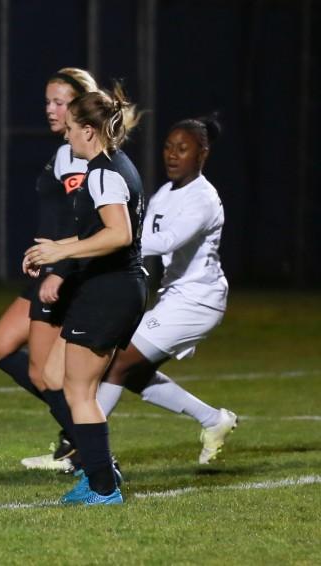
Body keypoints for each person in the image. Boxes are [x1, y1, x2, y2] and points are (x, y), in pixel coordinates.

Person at [24, 83, 146, 505]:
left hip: (110, 290)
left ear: (90, 131)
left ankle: (103, 487)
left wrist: (62, 249)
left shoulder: (104, 172)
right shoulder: (110, 167)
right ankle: (98, 470)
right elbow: (100, 232)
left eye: (73, 127)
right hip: (107, 287)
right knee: (55, 377)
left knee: (79, 393)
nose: (68, 135)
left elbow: (119, 234)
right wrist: (54, 251)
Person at [94, 114, 237, 464]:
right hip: (176, 297)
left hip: (198, 301)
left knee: (118, 363)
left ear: (202, 154)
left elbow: (166, 240)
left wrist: (115, 241)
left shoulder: (203, 199)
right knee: (134, 373)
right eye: (168, 147)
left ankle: (80, 447)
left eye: (183, 149)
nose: (172, 155)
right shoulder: (165, 193)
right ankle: (212, 419)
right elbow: (144, 239)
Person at [0, 68, 97, 471]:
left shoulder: (78, 157)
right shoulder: (65, 149)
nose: (50, 109)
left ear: (80, 106)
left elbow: (85, 220)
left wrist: (61, 269)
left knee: (45, 372)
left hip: (62, 272)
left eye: (59, 102)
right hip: (48, 267)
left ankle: (88, 450)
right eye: (47, 101)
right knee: (1, 346)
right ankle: (77, 433)